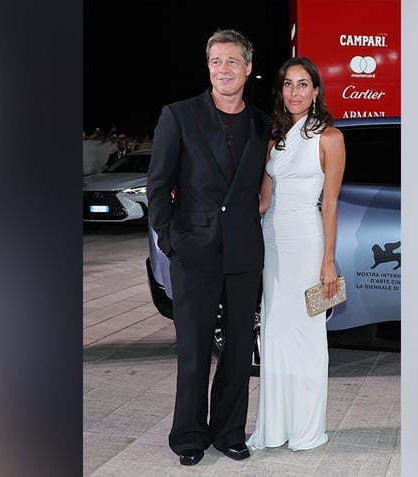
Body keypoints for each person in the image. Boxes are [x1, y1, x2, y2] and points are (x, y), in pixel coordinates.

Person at [146, 28, 271, 466]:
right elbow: (158, 185)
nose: (223, 69)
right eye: (216, 61)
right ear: (208, 67)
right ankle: (188, 437)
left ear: (248, 68)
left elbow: (265, 184)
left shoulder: (261, 123)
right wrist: (170, 239)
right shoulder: (179, 115)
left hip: (242, 254)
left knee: (238, 350)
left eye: (232, 61)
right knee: (194, 352)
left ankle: (229, 432)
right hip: (194, 251)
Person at [245, 56, 346, 452]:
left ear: (316, 91)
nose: (294, 92)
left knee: (306, 334)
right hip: (273, 242)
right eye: (288, 84)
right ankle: (275, 427)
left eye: (303, 84)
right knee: (275, 333)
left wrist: (328, 261)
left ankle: (305, 428)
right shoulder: (276, 139)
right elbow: (263, 203)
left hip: (307, 242)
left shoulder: (330, 138)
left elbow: (332, 204)